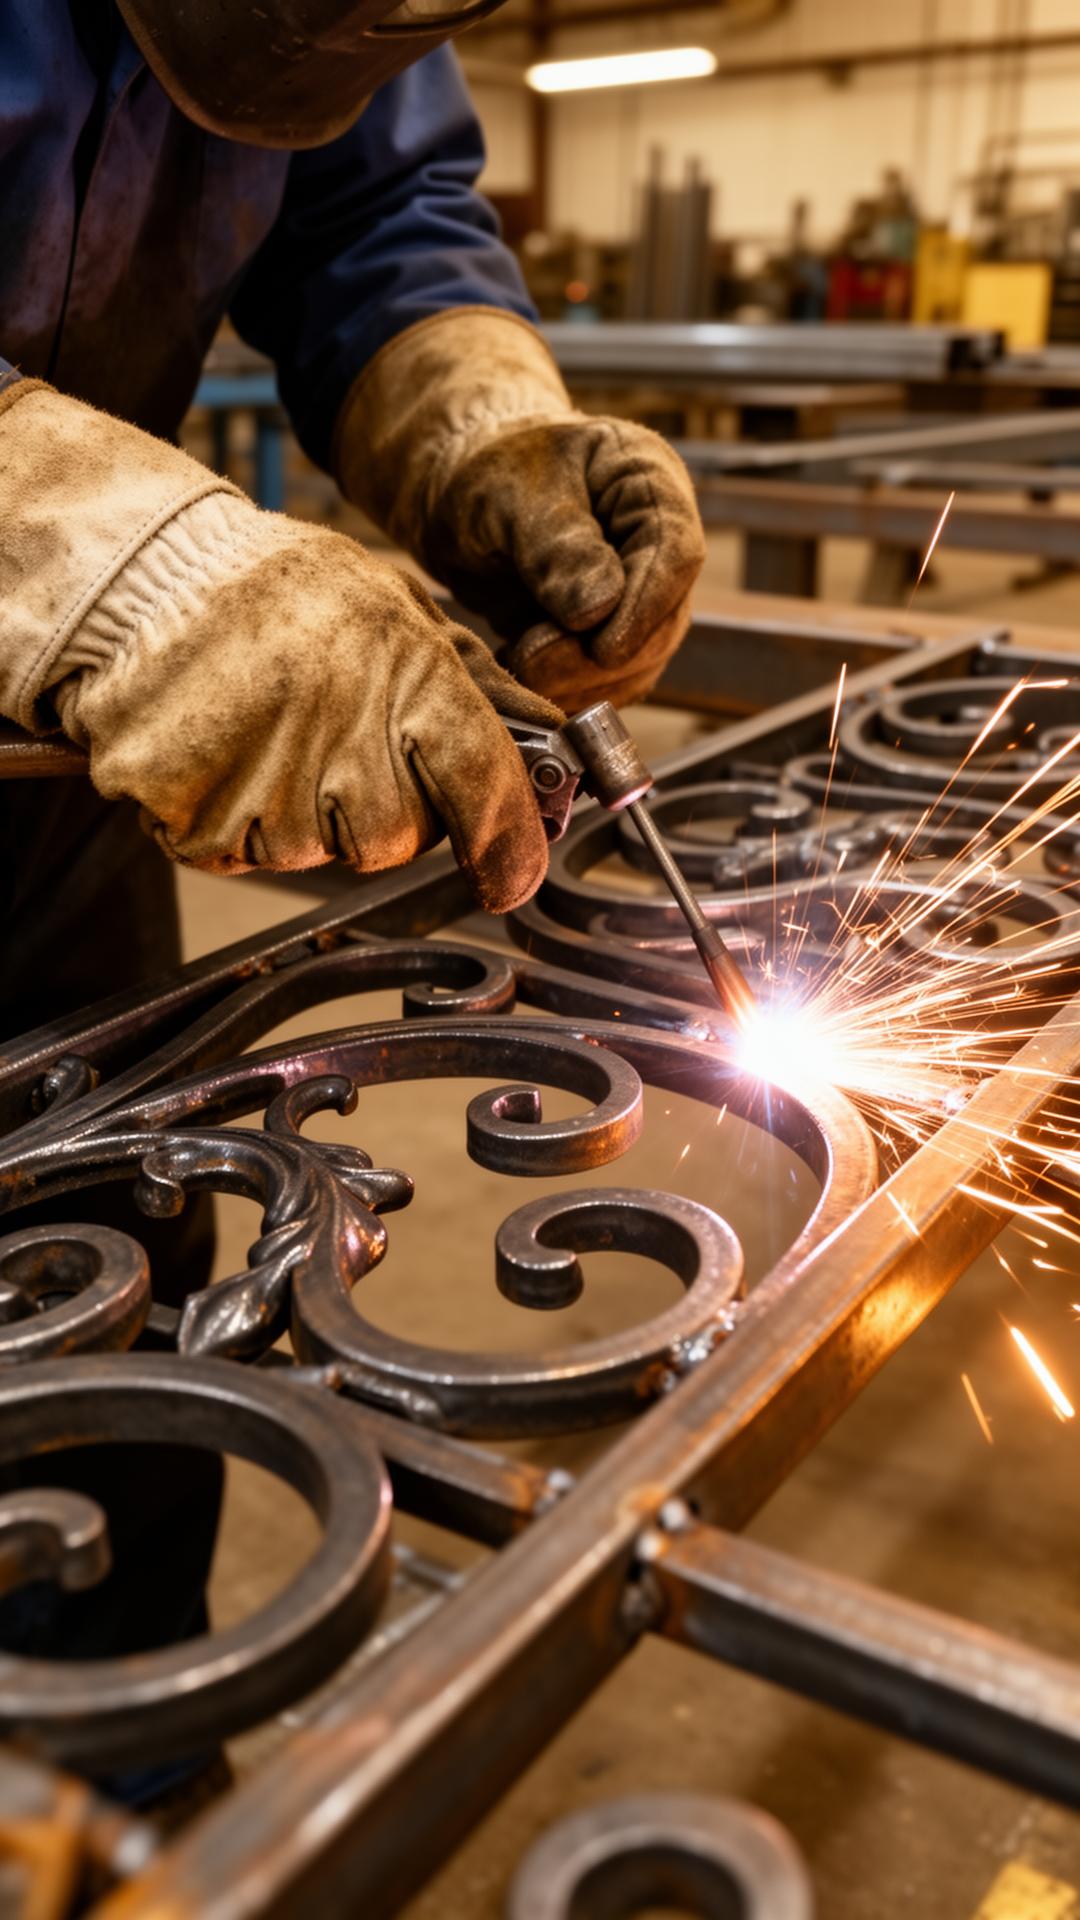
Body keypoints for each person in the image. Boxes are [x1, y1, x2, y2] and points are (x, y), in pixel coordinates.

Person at [0, 0, 705, 1800]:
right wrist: (94, 558)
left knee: (121, 1346)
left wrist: (479, 428)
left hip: (50, 826)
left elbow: (376, 216)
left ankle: (127, 1825)